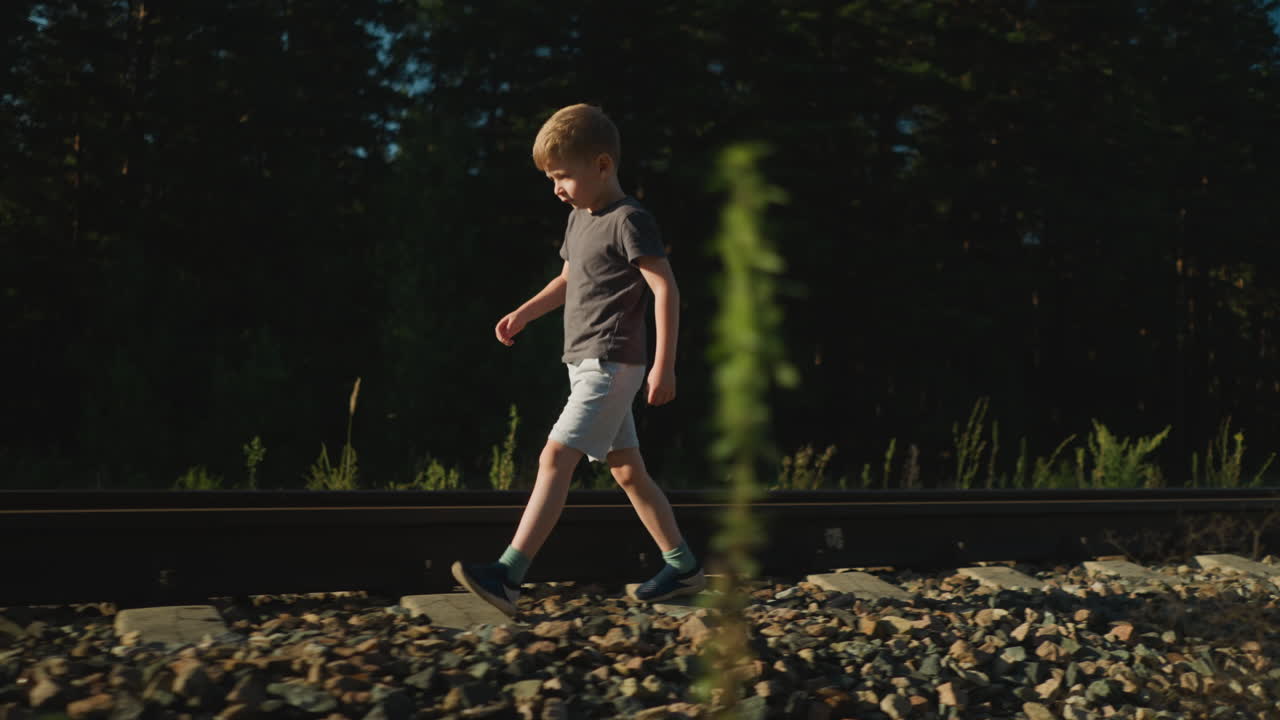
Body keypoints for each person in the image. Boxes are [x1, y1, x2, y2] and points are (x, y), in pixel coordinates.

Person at [450, 103, 704, 616]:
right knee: (627, 471)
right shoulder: (577, 220)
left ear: (603, 165)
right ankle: (682, 566)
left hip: (613, 363)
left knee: (554, 458)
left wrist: (663, 364)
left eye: (563, 175)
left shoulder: (629, 219)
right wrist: (525, 312)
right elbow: (568, 281)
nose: (556, 188)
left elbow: (665, 289)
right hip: (585, 363)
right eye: (550, 177)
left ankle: (508, 575)